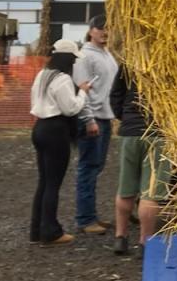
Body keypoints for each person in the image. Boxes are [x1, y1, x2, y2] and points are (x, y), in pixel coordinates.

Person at [29, 38, 92, 245]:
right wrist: (83, 93)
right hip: (56, 129)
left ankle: (36, 229)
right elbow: (70, 108)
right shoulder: (63, 78)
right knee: (53, 184)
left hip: (39, 127)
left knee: (44, 181)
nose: (74, 62)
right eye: (73, 59)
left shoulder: (42, 75)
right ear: (67, 59)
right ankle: (51, 231)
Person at [108, 65, 172, 255]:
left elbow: (115, 95)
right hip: (157, 133)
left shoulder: (130, 60)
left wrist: (126, 117)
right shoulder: (170, 59)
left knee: (125, 188)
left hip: (130, 132)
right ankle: (145, 243)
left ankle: (120, 238)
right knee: (150, 193)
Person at [73, 14, 119, 234]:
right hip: (93, 119)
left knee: (96, 167)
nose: (105, 32)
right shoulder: (84, 57)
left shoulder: (107, 54)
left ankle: (91, 215)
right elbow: (82, 90)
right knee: (88, 167)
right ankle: (85, 219)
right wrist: (89, 119)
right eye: (100, 28)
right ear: (91, 30)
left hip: (105, 117)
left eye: (108, 28)